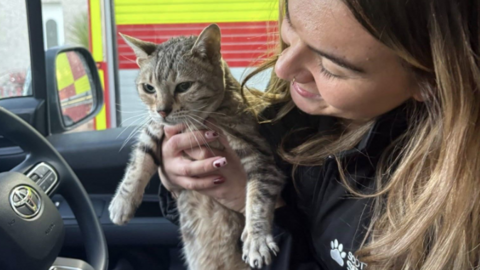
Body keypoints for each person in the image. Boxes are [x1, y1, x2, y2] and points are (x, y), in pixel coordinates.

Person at [158, 0, 480, 269]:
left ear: (430, 80)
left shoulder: (443, 219)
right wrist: (188, 182)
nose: (282, 67)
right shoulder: (287, 116)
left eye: (330, 66)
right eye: (291, 27)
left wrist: (266, 213)